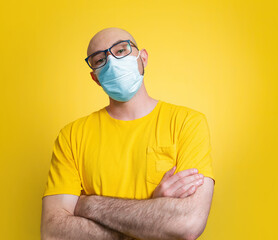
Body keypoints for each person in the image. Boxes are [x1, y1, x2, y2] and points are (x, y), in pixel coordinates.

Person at [41, 27, 215, 240]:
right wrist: (154, 211)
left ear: (143, 58)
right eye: (99, 60)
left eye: (121, 50)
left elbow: (188, 224)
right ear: (95, 78)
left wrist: (91, 205)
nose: (112, 62)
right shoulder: (71, 136)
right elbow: (53, 233)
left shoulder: (187, 123)